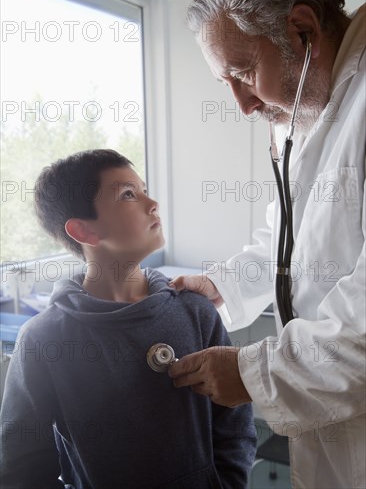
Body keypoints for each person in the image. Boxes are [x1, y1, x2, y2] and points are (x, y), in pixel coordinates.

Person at [168, 0, 366, 489]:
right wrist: (221, 284)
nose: (243, 105)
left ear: (302, 29)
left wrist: (252, 373)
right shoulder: (301, 116)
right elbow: (289, 248)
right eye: (225, 83)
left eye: (245, 71)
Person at [0, 149, 257, 488]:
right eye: (128, 195)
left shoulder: (194, 311)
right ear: (84, 231)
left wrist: (225, 483)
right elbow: (23, 464)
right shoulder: (43, 339)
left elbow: (234, 424)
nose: (152, 204)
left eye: (145, 190)